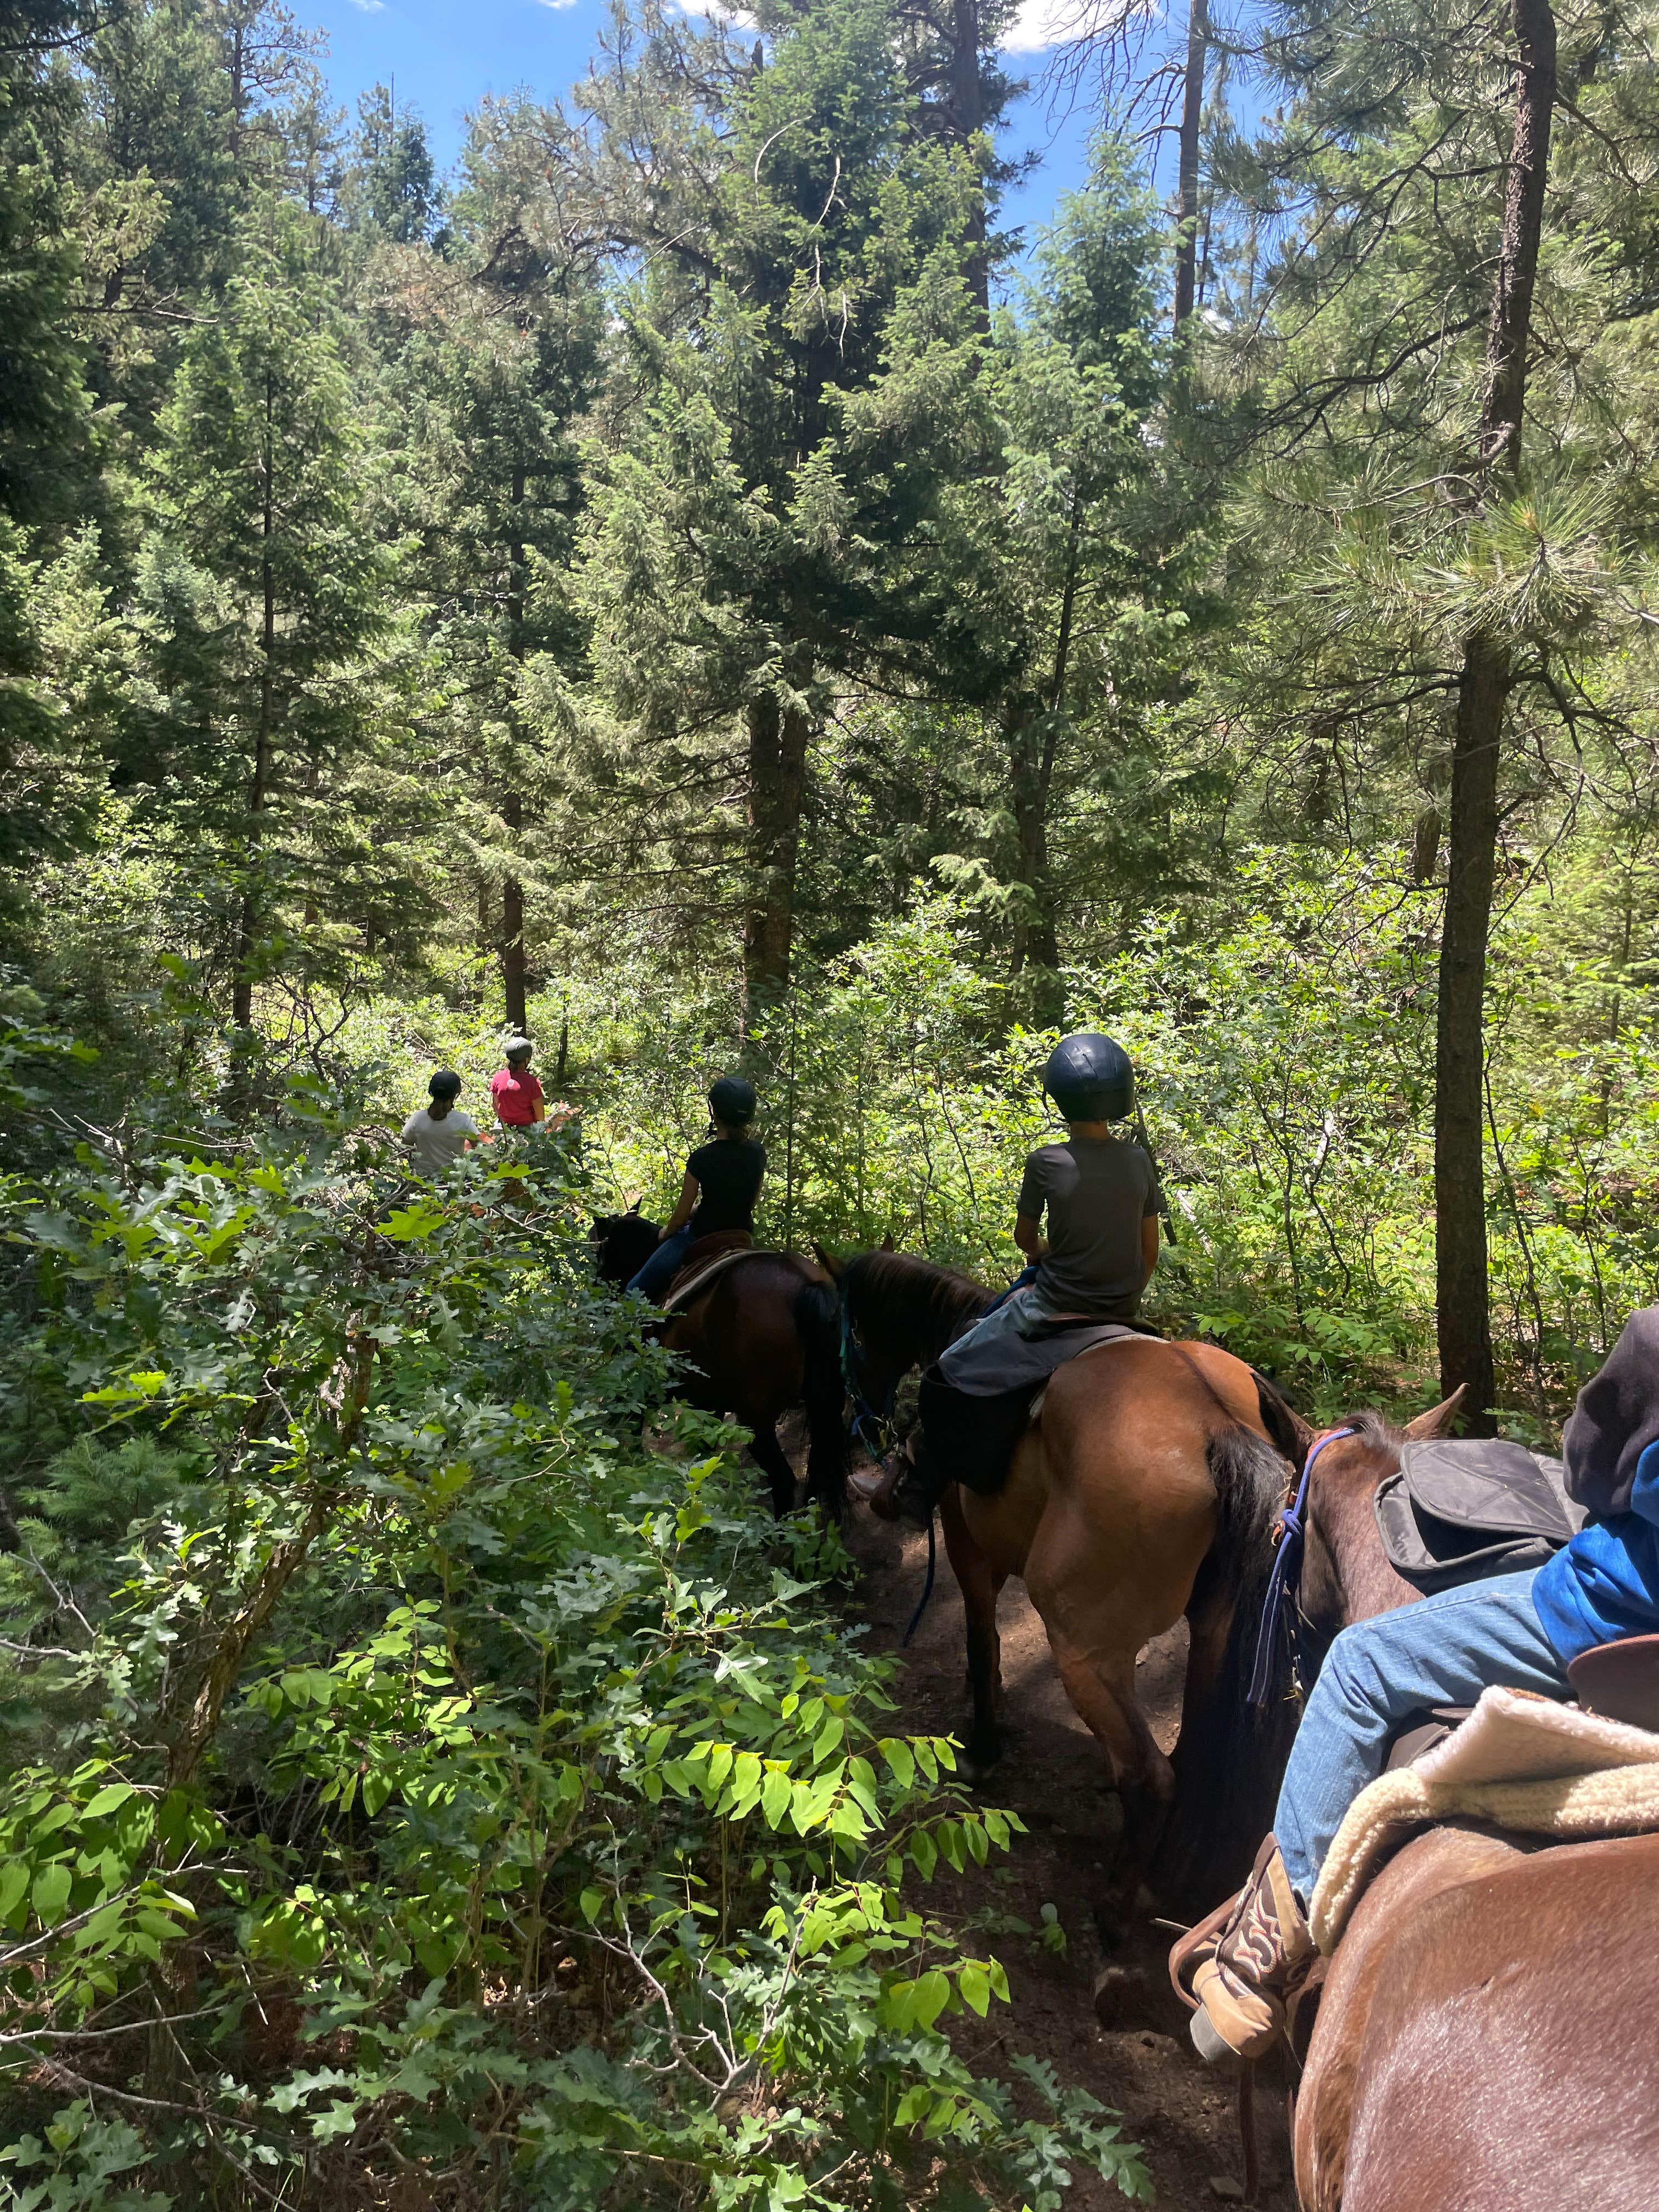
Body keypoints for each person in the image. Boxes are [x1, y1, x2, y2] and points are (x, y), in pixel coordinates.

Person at [1181, 1302, 1659, 2064]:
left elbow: (1587, 1473)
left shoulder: (1652, 1340)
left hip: (1621, 1616)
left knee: (1363, 1662)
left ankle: (1261, 1953)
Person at [865, 1032, 1161, 1527]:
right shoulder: (1138, 1160)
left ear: (1060, 1098)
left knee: (950, 1364)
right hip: (1123, 1312)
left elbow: (1027, 1239)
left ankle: (914, 1489)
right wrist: (1121, 1296)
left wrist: (1049, 1254)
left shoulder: (1046, 1161)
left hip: (1053, 1304)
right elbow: (1148, 1251)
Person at [624, 1076, 766, 1305]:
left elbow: (680, 1218)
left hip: (701, 1236)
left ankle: (630, 1339)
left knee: (634, 1291)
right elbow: (750, 1201)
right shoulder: (757, 1152)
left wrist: (664, 1233)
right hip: (743, 1236)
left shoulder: (701, 1158)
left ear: (715, 1112)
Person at [400, 1070, 482, 1175]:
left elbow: (404, 1150)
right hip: (452, 1181)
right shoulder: (463, 1120)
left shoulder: (417, 1118)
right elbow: (481, 1146)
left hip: (421, 1181)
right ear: (454, 1095)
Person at [490, 1036, 546, 1128]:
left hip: (503, 1127)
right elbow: (540, 1117)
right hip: (527, 1129)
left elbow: (496, 1108)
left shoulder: (498, 1078)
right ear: (527, 1059)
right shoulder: (533, 1083)